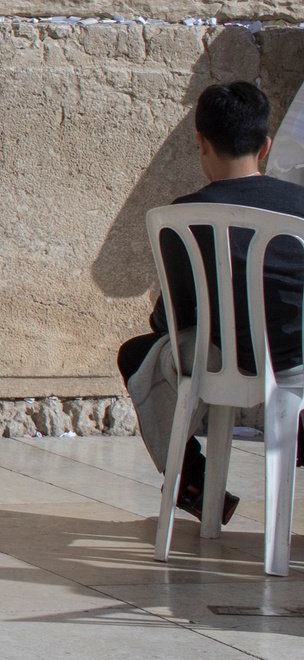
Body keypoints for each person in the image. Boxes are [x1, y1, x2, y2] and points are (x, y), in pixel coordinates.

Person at [120, 81, 304, 524]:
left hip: (225, 366)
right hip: (298, 369)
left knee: (136, 353)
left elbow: (171, 318)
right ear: (265, 146)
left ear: (200, 142)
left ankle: (194, 482)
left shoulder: (184, 218)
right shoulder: (299, 206)